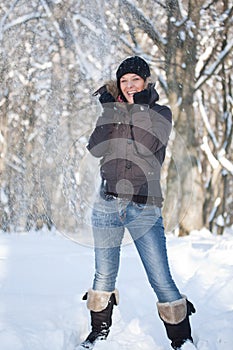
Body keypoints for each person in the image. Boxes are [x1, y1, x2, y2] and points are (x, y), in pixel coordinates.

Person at [79, 56, 196, 350]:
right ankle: (98, 332)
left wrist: (141, 107)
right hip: (107, 203)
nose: (130, 85)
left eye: (135, 80)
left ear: (146, 82)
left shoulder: (160, 113)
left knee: (159, 276)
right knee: (103, 274)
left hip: (144, 206)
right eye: (124, 80)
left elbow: (147, 144)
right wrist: (108, 112)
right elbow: (95, 149)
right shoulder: (113, 112)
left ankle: (182, 340)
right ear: (118, 84)